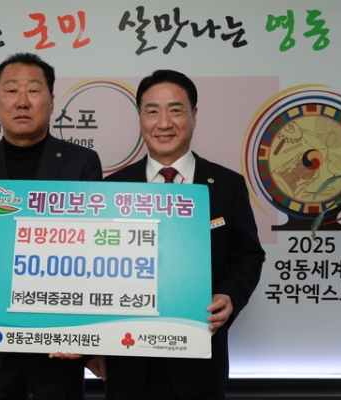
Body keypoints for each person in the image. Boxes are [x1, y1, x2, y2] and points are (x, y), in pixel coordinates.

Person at [0, 52, 103, 400]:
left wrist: (90, 336)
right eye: (11, 90)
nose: (23, 101)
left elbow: (96, 250)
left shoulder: (81, 163)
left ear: (52, 101)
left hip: (59, 340)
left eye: (34, 90)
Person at [96, 69, 265, 399]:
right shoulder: (112, 188)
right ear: (140, 118)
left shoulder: (227, 185)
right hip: (127, 365)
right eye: (152, 111)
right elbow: (95, 269)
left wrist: (230, 295)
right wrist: (92, 345)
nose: (164, 123)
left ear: (194, 115)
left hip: (200, 366)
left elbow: (248, 256)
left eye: (175, 110)